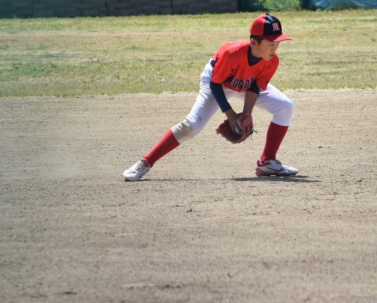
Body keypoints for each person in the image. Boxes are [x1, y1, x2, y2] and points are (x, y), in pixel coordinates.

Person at [123, 13, 298, 181]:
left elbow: (254, 86)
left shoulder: (272, 60)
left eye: (277, 43)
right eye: (270, 43)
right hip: (218, 82)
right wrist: (230, 115)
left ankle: (267, 162)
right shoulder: (233, 53)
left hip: (245, 82)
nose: (274, 48)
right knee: (192, 125)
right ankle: (145, 162)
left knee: (285, 107)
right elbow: (215, 84)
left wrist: (247, 113)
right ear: (254, 41)